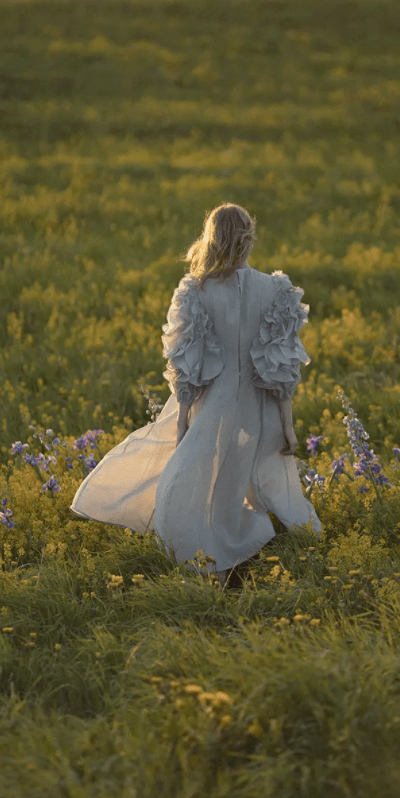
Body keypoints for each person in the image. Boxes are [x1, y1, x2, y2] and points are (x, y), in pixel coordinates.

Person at [70, 202, 321, 578]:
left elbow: (188, 362)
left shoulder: (197, 291)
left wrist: (183, 418)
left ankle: (212, 551)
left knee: (195, 478)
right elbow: (281, 367)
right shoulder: (274, 290)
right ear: (249, 239)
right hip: (261, 405)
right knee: (265, 478)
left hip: (213, 404)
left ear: (210, 239)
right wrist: (287, 425)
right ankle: (266, 541)